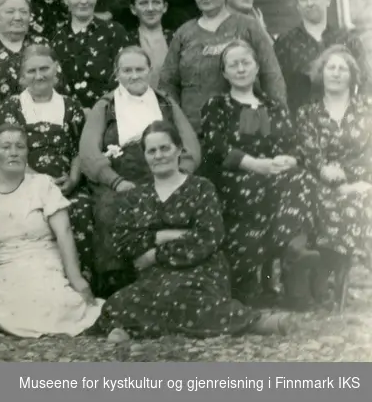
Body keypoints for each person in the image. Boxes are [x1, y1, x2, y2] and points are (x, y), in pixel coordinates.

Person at [103, 121, 292, 341]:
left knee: (187, 296)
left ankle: (257, 322)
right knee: (117, 304)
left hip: (201, 267)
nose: (159, 155)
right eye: (151, 150)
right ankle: (163, 328)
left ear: (179, 150)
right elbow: (124, 243)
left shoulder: (201, 188)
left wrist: (155, 253)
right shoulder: (135, 197)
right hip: (155, 275)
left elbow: (208, 238)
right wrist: (164, 235)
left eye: (165, 148)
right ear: (144, 156)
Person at [199, 40, 318, 308]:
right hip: (236, 177)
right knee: (253, 186)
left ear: (256, 68)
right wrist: (254, 164)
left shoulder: (273, 105)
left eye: (246, 63)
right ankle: (257, 280)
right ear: (225, 73)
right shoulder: (217, 105)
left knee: (302, 179)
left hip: (274, 174)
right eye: (234, 64)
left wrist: (289, 159)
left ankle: (292, 252)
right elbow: (216, 147)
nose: (241, 69)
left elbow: (293, 143)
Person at [80, 46, 200, 295]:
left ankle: (175, 279)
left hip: (165, 173)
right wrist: (114, 181)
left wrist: (181, 174)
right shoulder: (105, 106)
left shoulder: (166, 102)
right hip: (121, 179)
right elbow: (89, 153)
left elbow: (190, 146)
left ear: (149, 71)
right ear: (117, 74)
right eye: (127, 70)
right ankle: (119, 287)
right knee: (109, 209)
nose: (134, 76)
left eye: (139, 69)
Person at [0, 123, 102, 336]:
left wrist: (77, 279)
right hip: (1, 270)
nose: (14, 152)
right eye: (6, 147)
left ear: (27, 152)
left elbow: (64, 233)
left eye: (20, 146)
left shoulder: (42, 184)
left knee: (56, 301)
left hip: (44, 265)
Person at [0, 44, 92, 267]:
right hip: (24, 185)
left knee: (82, 209)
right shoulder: (10, 107)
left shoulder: (71, 105)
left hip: (67, 187)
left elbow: (79, 150)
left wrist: (74, 179)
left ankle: (80, 278)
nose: (39, 76)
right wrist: (39, 182)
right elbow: (8, 154)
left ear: (56, 69)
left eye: (45, 68)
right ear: (21, 76)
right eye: (31, 71)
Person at [160, 0, 285, 130]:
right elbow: (167, 83)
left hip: (245, 126)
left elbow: (272, 75)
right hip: (195, 129)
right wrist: (174, 126)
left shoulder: (248, 26)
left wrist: (278, 118)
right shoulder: (184, 33)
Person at [297, 46, 372, 305]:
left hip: (362, 182)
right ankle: (329, 275)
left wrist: (353, 179)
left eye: (343, 68)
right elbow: (309, 151)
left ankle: (336, 277)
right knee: (327, 201)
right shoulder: (307, 113)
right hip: (320, 182)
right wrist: (327, 173)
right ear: (321, 73)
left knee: (362, 199)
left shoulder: (367, 109)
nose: (336, 73)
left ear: (352, 75)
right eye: (331, 67)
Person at [275, 0, 369, 115]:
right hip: (301, 122)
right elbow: (276, 86)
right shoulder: (285, 43)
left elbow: (365, 80)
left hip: (344, 122)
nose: (310, 3)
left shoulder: (348, 40)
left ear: (327, 0)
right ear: (298, 6)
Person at [49, 0, 130, 108]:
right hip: (67, 115)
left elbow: (126, 76)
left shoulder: (114, 32)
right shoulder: (56, 38)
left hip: (109, 112)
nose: (84, 0)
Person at [130, 0, 178, 85]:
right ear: (133, 9)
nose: (150, 8)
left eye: (156, 2)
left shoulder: (177, 38)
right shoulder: (127, 40)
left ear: (164, 7)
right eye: (143, 3)